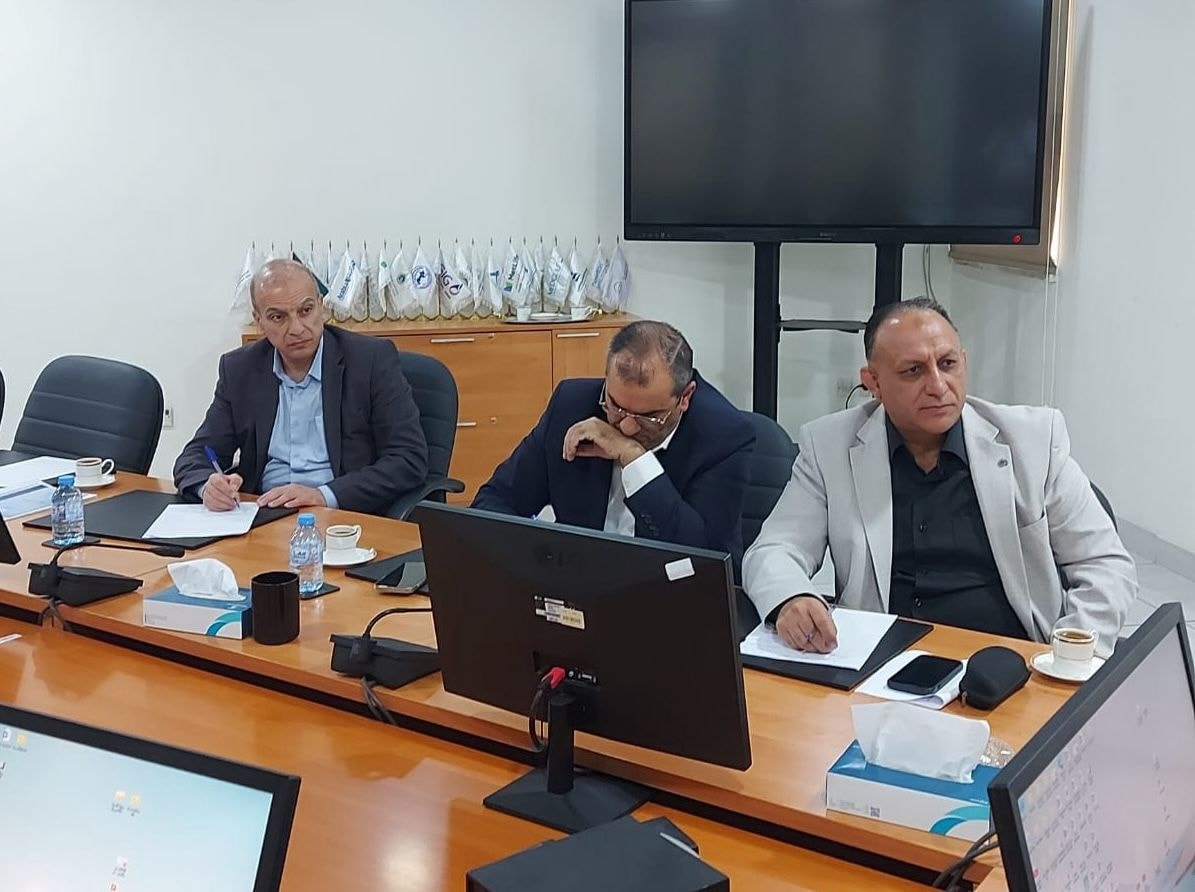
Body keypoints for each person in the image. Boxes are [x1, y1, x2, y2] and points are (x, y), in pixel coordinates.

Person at [743, 298, 1137, 657]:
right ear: (873, 382)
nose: (937, 386)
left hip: (1010, 662)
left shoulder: (1033, 441)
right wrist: (791, 598)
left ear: (963, 362)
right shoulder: (829, 445)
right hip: (882, 663)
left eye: (948, 364)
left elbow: (1105, 565)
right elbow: (773, 550)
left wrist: (1067, 659)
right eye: (913, 371)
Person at [473, 320, 755, 565]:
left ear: (685, 397)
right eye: (616, 406)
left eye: (649, 417)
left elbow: (706, 560)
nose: (627, 426)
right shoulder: (572, 405)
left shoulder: (723, 437)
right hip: (578, 588)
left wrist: (634, 457)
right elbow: (493, 503)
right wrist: (538, 562)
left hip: (667, 596)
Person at [174, 259, 428, 516]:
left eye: (305, 311)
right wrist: (208, 487)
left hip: (343, 515)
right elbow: (196, 456)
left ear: (321, 306)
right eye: (278, 317)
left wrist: (323, 495)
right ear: (259, 320)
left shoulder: (369, 360)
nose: (296, 328)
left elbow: (408, 458)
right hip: (265, 514)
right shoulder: (240, 370)